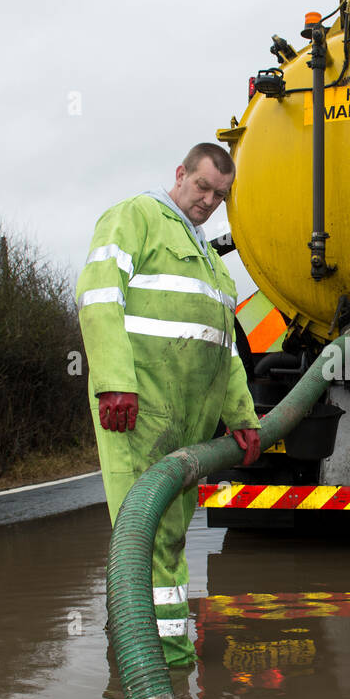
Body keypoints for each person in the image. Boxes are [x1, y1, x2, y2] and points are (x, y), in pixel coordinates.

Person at [76, 143, 260, 668]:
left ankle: (167, 657)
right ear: (180, 174)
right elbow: (97, 295)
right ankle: (152, 665)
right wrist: (114, 381)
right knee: (145, 536)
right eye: (201, 187)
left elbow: (225, 351)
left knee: (172, 539)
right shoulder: (136, 217)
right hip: (138, 412)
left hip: (190, 425)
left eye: (219, 196)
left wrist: (244, 419)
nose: (208, 201)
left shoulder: (212, 265)